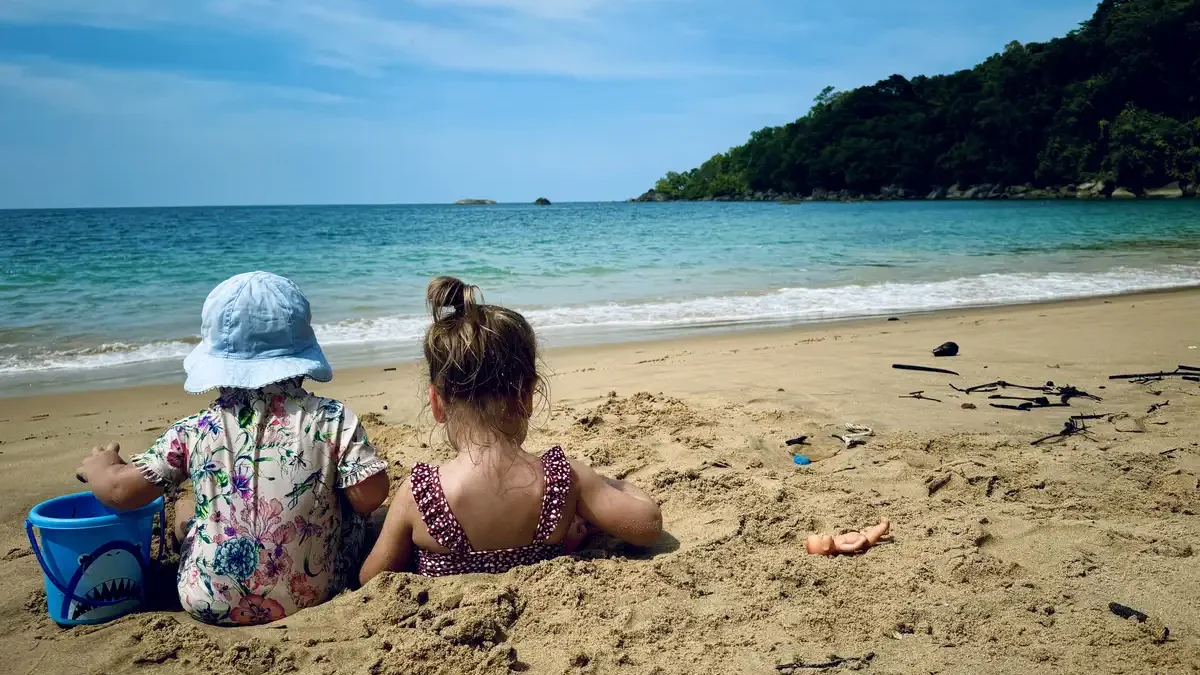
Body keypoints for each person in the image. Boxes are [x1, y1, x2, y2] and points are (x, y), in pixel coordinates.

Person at [76, 272, 389, 625]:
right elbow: (370, 495)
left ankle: (193, 534)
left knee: (188, 505)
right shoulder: (332, 418)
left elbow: (119, 491)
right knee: (355, 517)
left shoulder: (195, 429)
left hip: (206, 600)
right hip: (313, 594)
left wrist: (100, 466)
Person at [360, 277, 662, 582]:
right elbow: (647, 525)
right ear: (527, 396)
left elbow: (372, 579)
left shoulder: (419, 493)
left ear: (437, 403)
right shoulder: (563, 480)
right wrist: (610, 485)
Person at [805, 520, 891, 556]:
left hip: (860, 534)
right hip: (866, 540)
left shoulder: (835, 540)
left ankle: (883, 532)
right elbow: (853, 547)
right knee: (874, 533)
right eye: (821, 537)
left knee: (870, 530)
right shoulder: (840, 546)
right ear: (826, 547)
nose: (822, 533)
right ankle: (883, 525)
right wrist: (860, 541)